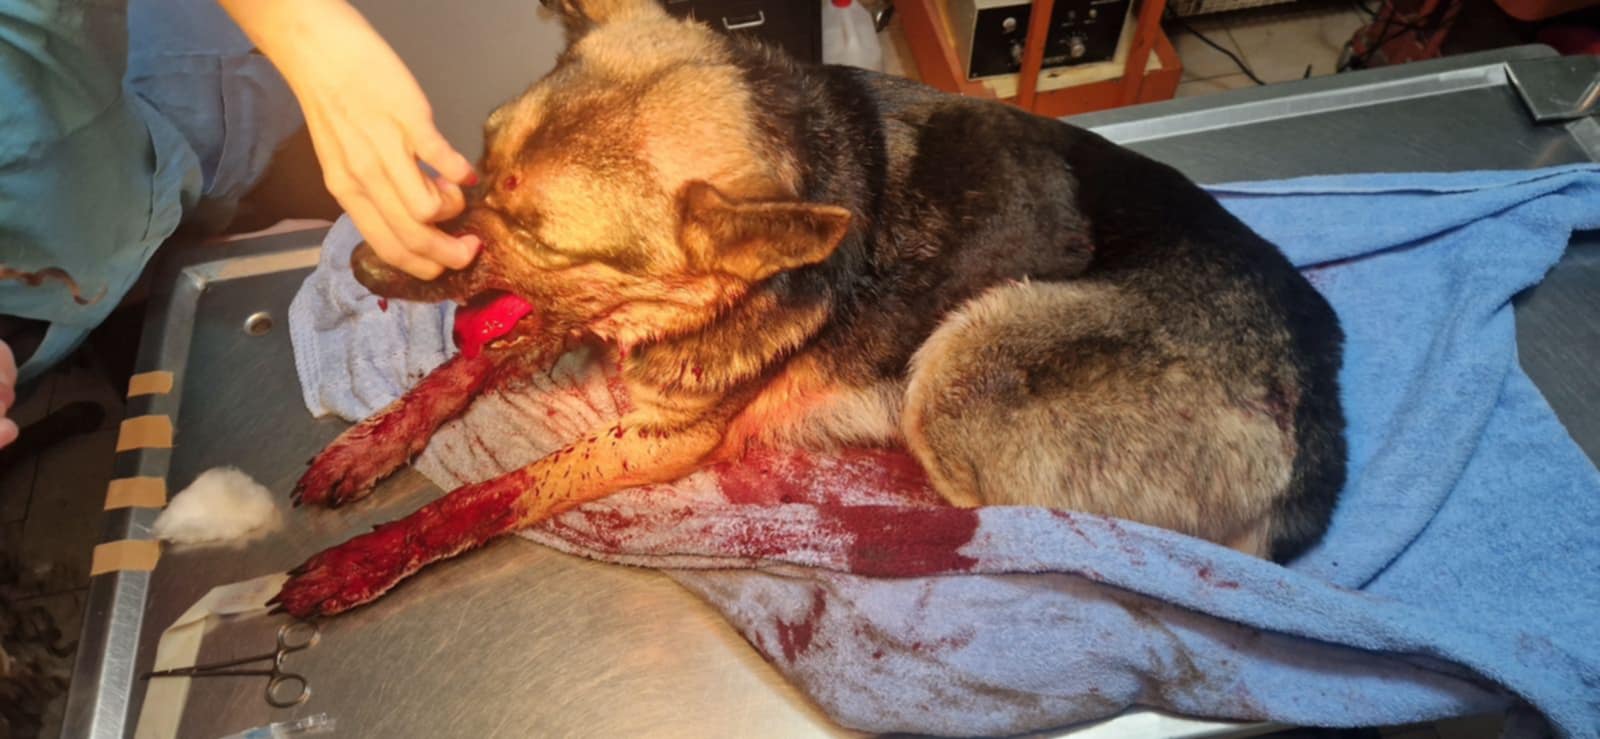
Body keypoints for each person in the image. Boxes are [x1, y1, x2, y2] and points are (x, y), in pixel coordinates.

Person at [2, 0, 469, 390]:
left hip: (204, 88)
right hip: (142, 252)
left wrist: (300, 31)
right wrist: (196, 262)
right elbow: (76, 278)